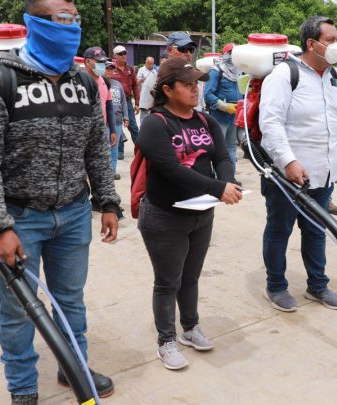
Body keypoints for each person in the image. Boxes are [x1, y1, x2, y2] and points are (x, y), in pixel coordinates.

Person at [0, 0, 120, 402]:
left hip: (72, 213)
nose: (71, 27)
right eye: (61, 19)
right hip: (20, 218)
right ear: (33, 23)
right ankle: (23, 389)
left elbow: (95, 151)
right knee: (18, 312)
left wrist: (107, 202)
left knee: (71, 300)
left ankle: (74, 369)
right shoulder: (0, 80)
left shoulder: (83, 82)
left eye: (75, 20)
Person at [136, 58, 241, 370]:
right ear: (167, 90)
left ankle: (190, 328)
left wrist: (227, 181)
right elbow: (171, 170)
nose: (196, 90)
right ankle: (165, 340)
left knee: (191, 277)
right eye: (188, 85)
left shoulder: (205, 120)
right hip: (164, 216)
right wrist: (217, 188)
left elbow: (221, 155)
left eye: (197, 84)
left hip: (201, 213)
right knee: (168, 281)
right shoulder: (155, 123)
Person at [259, 16, 337, 312]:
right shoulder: (285, 74)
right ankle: (276, 286)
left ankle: (317, 285)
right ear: (311, 44)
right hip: (287, 175)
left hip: (322, 173)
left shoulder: (334, 77)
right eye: (331, 40)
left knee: (316, 229)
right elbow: (270, 123)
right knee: (279, 229)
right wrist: (288, 161)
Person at [204, 43, 242, 179]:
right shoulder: (216, 71)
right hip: (219, 117)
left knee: (231, 147)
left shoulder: (240, 71)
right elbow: (208, 95)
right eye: (230, 53)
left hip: (234, 116)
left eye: (235, 53)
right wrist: (225, 107)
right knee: (219, 149)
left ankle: (230, 178)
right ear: (225, 54)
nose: (233, 56)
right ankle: (218, 178)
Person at [83, 47, 119, 178]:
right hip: (83, 134)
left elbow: (109, 106)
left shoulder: (104, 81)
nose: (102, 65)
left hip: (101, 132)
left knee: (99, 170)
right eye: (99, 62)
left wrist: (113, 130)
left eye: (104, 62)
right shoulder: (79, 82)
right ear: (87, 62)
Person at [165, 32, 206, 112]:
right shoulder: (160, 76)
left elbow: (200, 104)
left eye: (191, 50)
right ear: (170, 50)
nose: (188, 54)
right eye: (183, 49)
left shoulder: (195, 75)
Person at [111, 45, 139, 157]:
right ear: (115, 56)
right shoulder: (111, 68)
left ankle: (140, 150)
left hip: (127, 101)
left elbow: (135, 86)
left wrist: (137, 103)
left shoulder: (130, 69)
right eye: (121, 54)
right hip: (114, 101)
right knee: (116, 126)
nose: (123, 56)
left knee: (133, 126)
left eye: (125, 53)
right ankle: (119, 151)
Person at [105, 60, 129, 178]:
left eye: (111, 69)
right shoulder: (99, 83)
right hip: (104, 123)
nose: (109, 71)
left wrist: (126, 117)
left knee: (114, 147)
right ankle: (105, 172)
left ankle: (113, 172)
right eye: (107, 68)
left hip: (118, 121)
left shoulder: (117, 84)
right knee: (105, 148)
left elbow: (123, 102)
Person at [138, 55, 158, 126]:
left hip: (152, 97)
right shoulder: (141, 70)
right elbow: (137, 81)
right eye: (150, 64)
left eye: (153, 63)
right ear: (146, 63)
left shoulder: (155, 71)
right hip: (144, 97)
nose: (152, 65)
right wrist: (143, 80)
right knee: (143, 117)